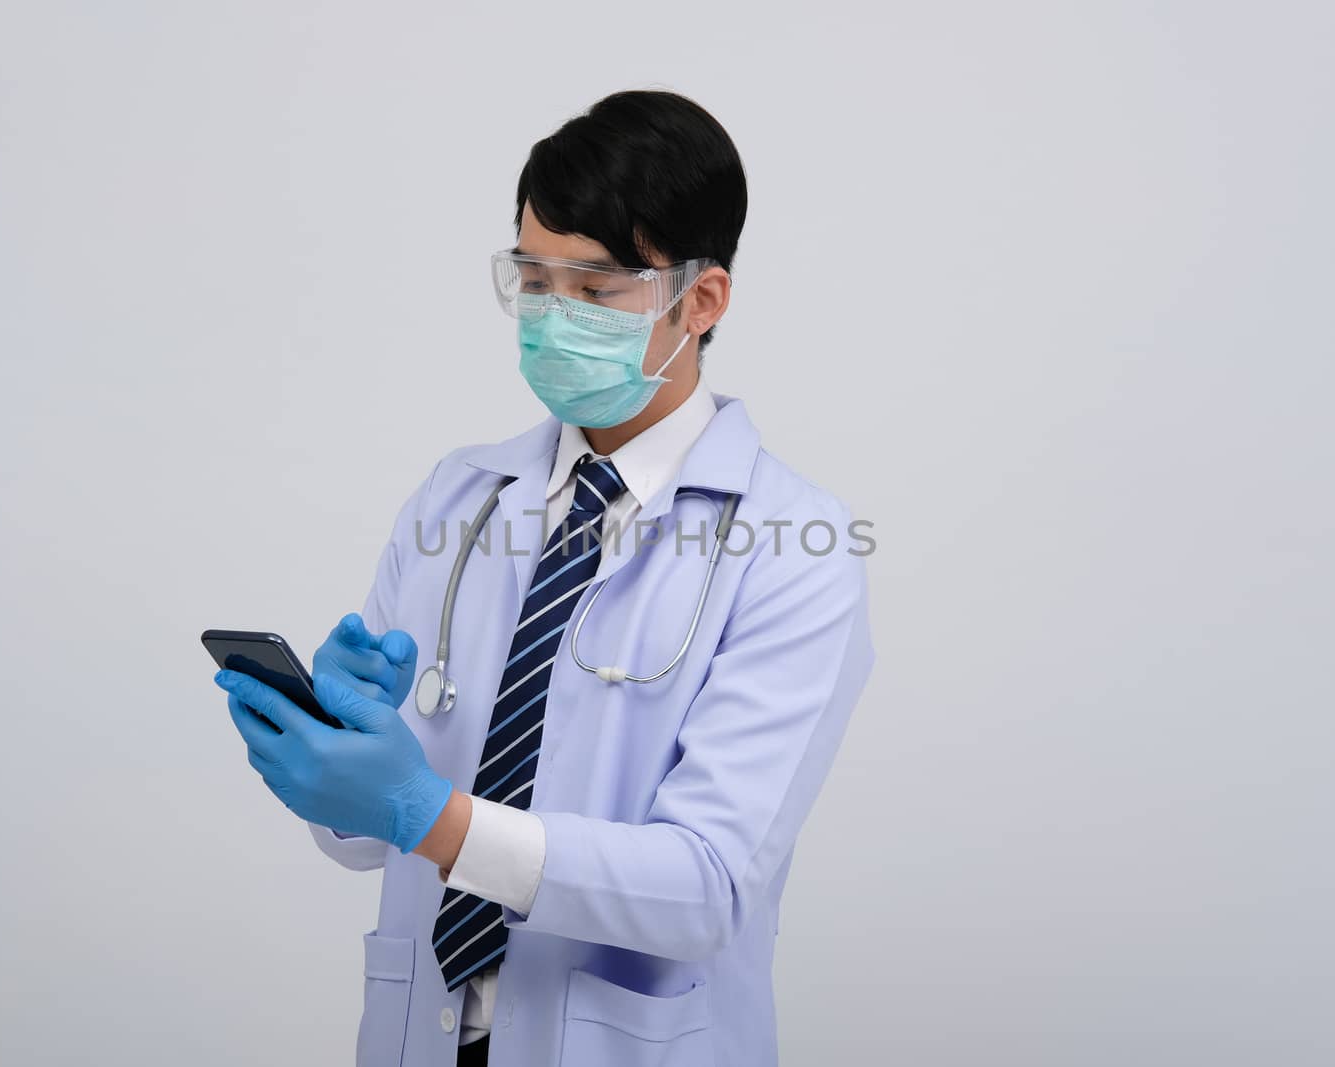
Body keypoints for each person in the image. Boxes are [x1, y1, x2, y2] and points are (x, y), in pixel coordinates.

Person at [214, 88, 875, 1067]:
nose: (553, 318)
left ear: (701, 300)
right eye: (533, 278)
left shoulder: (792, 545)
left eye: (596, 290)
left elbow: (704, 887)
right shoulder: (459, 497)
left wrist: (429, 813)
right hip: (424, 1032)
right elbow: (360, 844)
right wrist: (337, 758)